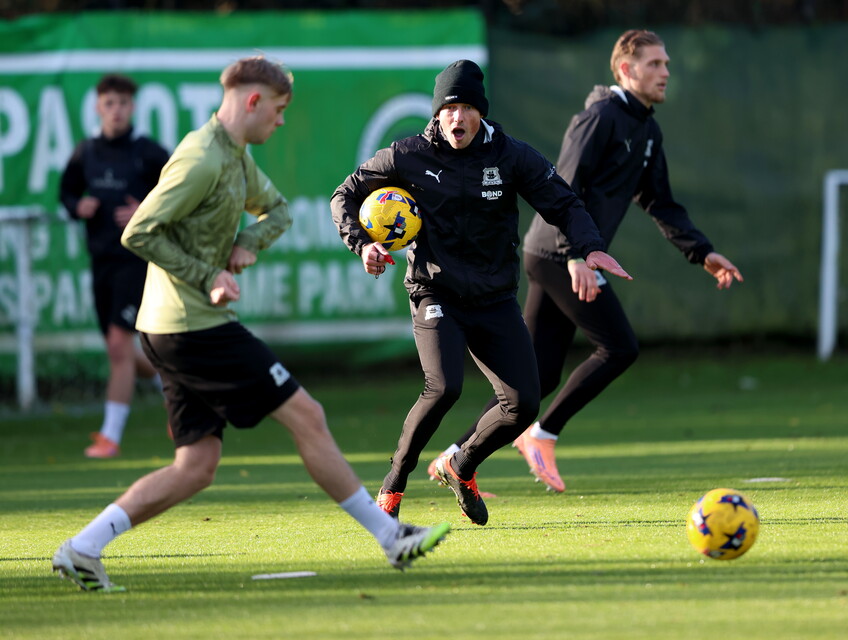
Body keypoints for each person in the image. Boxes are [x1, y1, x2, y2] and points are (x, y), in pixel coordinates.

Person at [51, 56, 449, 593]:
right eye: (279, 110)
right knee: (307, 415)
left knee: (196, 466)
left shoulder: (234, 155)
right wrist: (208, 273)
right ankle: (390, 535)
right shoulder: (201, 158)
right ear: (253, 101)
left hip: (176, 325)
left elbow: (278, 210)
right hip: (190, 327)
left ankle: (83, 547)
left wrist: (246, 241)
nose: (281, 121)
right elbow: (138, 232)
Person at [427, 30, 743, 493]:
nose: (665, 72)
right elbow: (562, 188)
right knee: (619, 347)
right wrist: (576, 255)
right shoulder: (599, 117)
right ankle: (541, 435)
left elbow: (659, 201)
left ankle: (453, 458)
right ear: (625, 70)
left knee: (536, 377)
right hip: (558, 254)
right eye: (654, 64)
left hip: (558, 255)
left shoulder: (646, 130)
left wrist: (702, 251)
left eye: (666, 64)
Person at [331, 59, 632, 527]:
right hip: (435, 291)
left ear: (481, 114)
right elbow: (344, 195)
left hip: (493, 298)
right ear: (437, 114)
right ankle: (393, 484)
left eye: (467, 108)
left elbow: (563, 203)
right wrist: (363, 243)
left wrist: (590, 246)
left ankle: (461, 465)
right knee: (443, 387)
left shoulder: (511, 156)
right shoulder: (407, 155)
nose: (457, 117)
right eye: (449, 109)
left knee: (523, 403)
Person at [59, 73, 169, 458]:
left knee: (120, 345)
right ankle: (176, 387)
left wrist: (146, 208)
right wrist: (78, 206)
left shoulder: (147, 152)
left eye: (123, 103)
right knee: (121, 348)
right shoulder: (86, 151)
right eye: (109, 103)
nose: (116, 110)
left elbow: (178, 194)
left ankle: (110, 436)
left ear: (132, 107)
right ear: (98, 107)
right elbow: (66, 191)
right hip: (101, 261)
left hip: (137, 260)